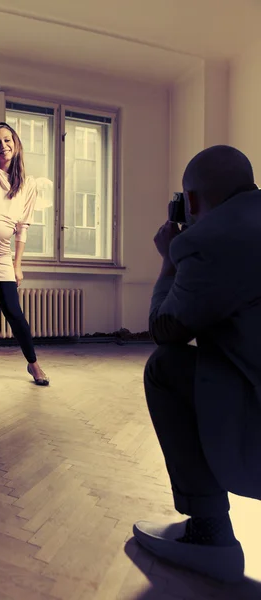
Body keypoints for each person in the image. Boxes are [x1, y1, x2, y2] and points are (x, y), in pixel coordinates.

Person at [129, 145, 261, 583]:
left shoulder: (207, 240)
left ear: (193, 201)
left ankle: (209, 533)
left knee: (164, 368)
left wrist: (168, 257)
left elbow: (165, 329)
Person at [0, 57, 50, 394]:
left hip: (0, 259)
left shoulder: (28, 184)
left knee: (15, 316)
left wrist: (17, 265)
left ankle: (33, 363)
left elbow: (22, 228)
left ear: (16, 144)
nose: (1, 144)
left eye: (7, 140)